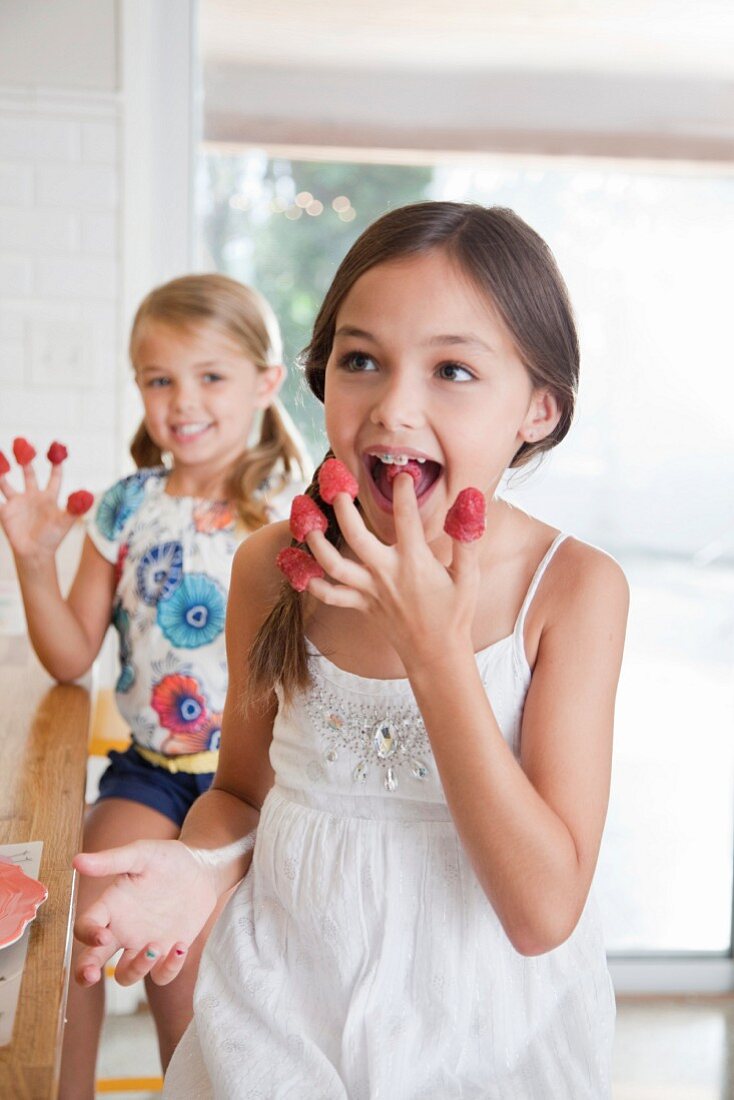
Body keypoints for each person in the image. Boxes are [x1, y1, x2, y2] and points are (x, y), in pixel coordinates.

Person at [72, 203, 629, 1098]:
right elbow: (242, 796)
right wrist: (198, 871)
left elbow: (542, 913)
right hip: (281, 1020)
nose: (394, 408)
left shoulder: (573, 591)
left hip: (487, 1038)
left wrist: (436, 652)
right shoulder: (272, 568)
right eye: (361, 360)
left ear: (537, 408)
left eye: (453, 369)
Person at [0, 273, 307, 1099]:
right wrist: (32, 563)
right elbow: (70, 656)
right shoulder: (125, 508)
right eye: (159, 379)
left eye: (210, 376)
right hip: (149, 773)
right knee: (71, 919)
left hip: (251, 791)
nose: (182, 401)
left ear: (264, 383)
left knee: (178, 972)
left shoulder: (289, 512)